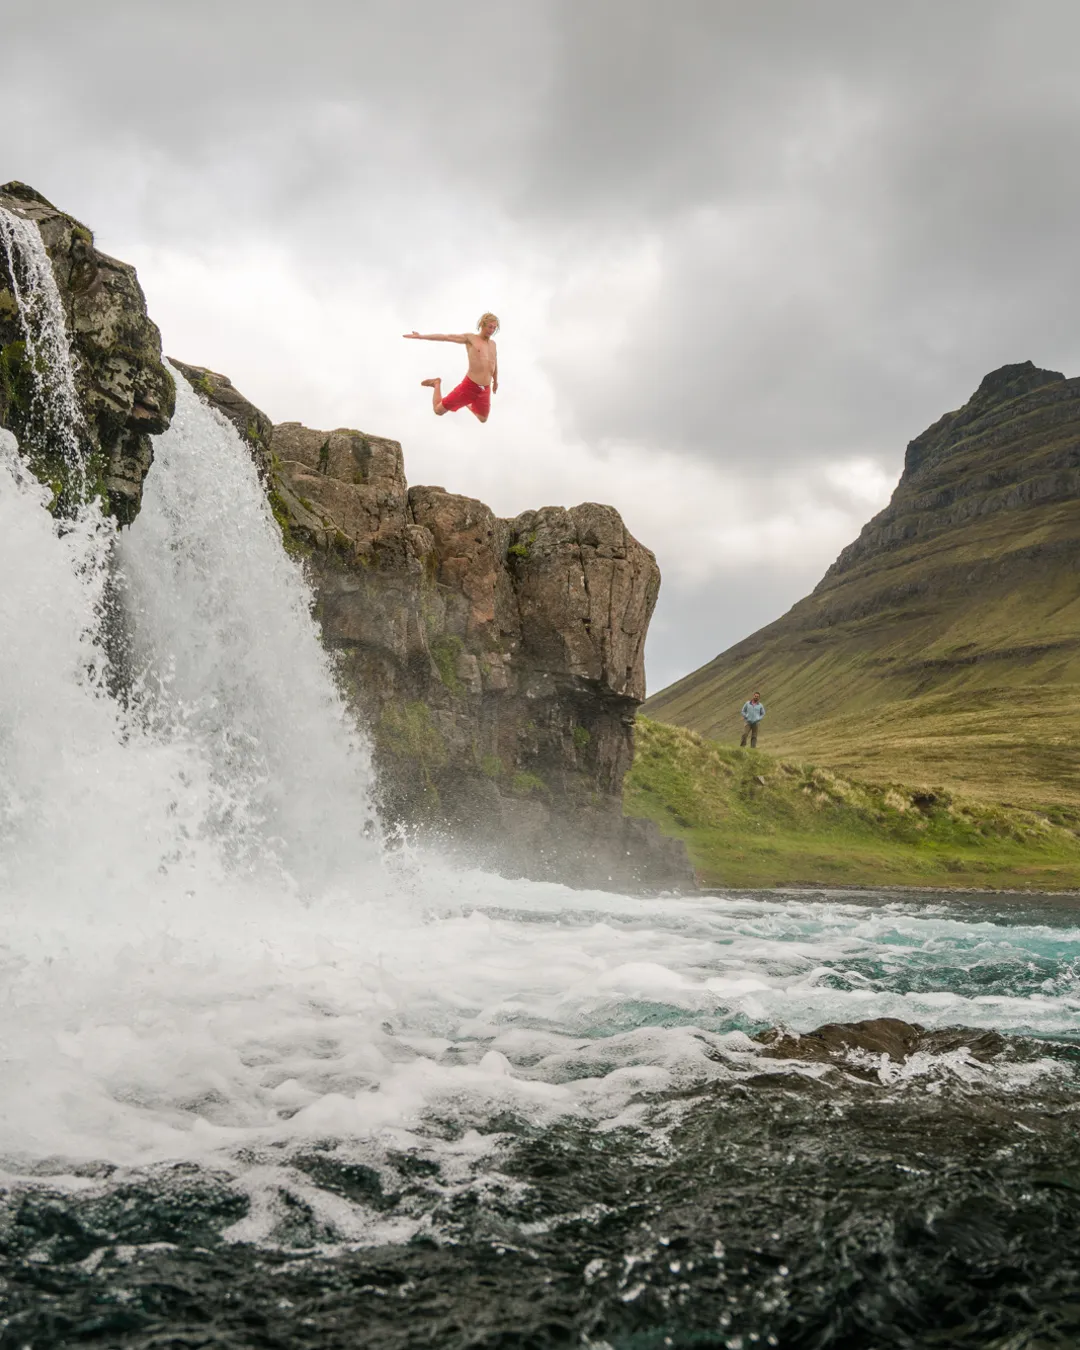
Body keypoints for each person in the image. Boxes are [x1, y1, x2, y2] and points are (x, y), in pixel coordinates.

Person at [403, 313, 499, 423]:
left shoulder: (493, 344)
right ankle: (436, 383)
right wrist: (421, 336)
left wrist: (495, 381)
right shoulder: (471, 338)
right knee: (438, 410)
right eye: (490, 327)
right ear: (483, 324)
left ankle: (466, 402)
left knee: (483, 418)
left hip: (485, 389)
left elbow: (494, 363)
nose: (491, 330)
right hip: (470, 386)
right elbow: (446, 337)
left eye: (494, 328)